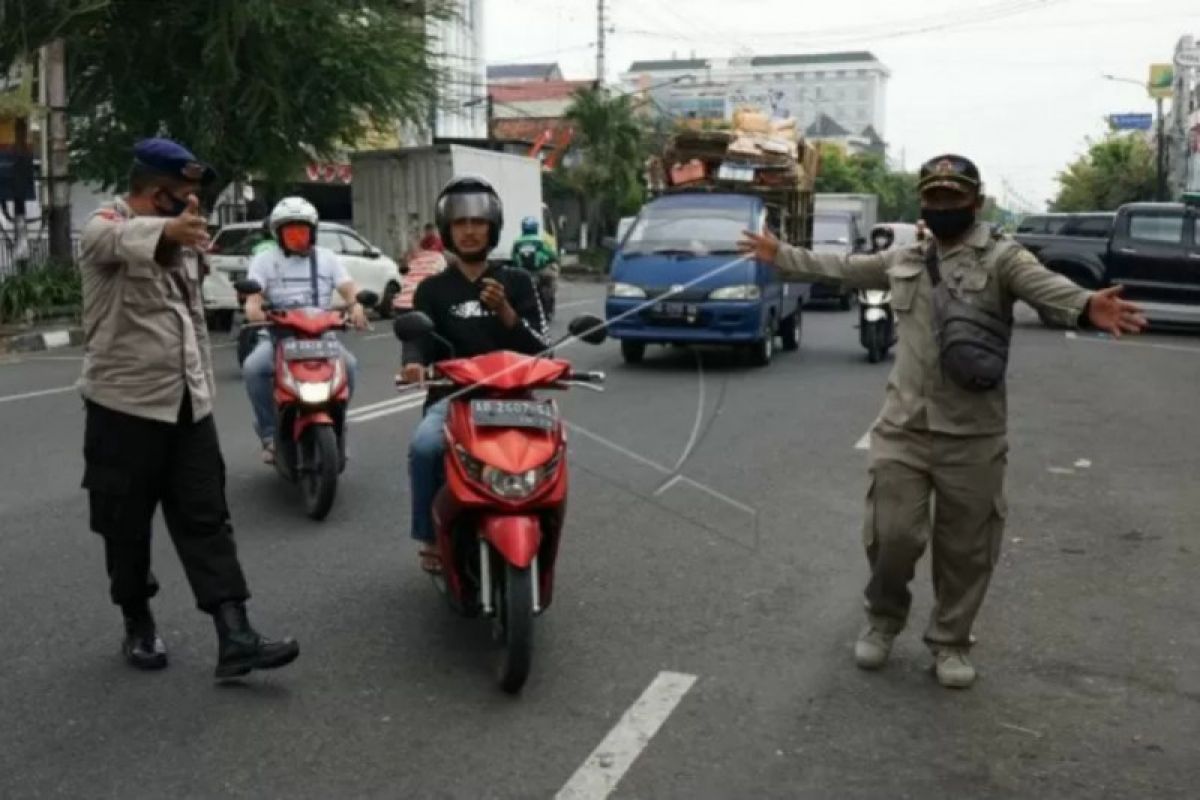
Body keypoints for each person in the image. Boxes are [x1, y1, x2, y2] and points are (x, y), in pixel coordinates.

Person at [739, 154, 1147, 689]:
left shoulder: (1003, 258)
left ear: (975, 204)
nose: (943, 207)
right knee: (893, 536)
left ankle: (950, 642)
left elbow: (1045, 285)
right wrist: (780, 255)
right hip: (903, 428)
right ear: (922, 205)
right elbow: (840, 269)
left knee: (966, 549)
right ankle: (883, 620)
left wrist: (1087, 303)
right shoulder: (904, 258)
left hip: (972, 434)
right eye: (933, 198)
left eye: (953, 198)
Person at [78, 138, 299, 679]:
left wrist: (185, 241)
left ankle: (235, 635)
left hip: (186, 407)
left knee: (208, 520)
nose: (194, 206)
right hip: (123, 408)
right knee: (124, 527)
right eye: (185, 196)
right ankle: (137, 622)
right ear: (157, 194)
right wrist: (164, 232)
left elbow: (190, 317)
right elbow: (105, 238)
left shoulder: (188, 238)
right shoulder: (107, 225)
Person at [401, 176, 548, 573]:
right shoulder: (432, 289)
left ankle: (540, 525)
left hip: (514, 398)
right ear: (447, 230)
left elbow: (541, 348)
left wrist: (506, 313)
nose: (469, 231)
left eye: (478, 222)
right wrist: (413, 362)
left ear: (493, 227)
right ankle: (429, 536)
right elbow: (418, 338)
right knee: (425, 447)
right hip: (452, 398)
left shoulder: (517, 281)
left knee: (551, 452)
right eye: (460, 223)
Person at [242, 197, 369, 463]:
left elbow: (349, 289)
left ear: (313, 232)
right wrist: (254, 311)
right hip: (279, 335)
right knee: (254, 368)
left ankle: (338, 425)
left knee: (351, 366)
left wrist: (356, 306)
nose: (297, 236)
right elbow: (253, 300)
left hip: (322, 335)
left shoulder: (328, 258)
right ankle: (269, 435)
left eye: (302, 230)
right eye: (290, 232)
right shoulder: (265, 261)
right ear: (278, 235)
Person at [511, 216, 560, 320]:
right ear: (535, 228)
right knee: (551, 283)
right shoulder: (541, 241)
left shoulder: (517, 242)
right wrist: (554, 259)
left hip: (523, 271)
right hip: (540, 271)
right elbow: (551, 255)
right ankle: (548, 310)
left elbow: (513, 257)